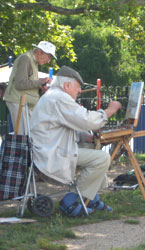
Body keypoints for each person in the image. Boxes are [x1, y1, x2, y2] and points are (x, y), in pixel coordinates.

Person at [30, 66, 122, 215]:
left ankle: (91, 198)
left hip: (49, 149)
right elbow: (86, 120)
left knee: (92, 146)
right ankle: (70, 201)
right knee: (102, 158)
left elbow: (63, 126)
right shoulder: (59, 98)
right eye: (78, 87)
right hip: (51, 155)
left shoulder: (53, 95)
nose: (80, 91)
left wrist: (87, 137)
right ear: (67, 85)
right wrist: (109, 110)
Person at [4, 41, 56, 134]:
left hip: (24, 102)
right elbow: (20, 83)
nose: (48, 61)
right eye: (49, 57)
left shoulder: (33, 61)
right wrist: (41, 81)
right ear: (40, 52)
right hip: (18, 101)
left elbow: (28, 83)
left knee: (31, 134)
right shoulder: (26, 59)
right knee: (23, 135)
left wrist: (41, 87)